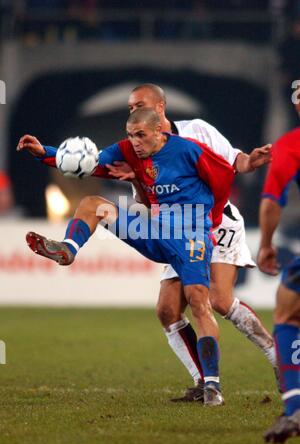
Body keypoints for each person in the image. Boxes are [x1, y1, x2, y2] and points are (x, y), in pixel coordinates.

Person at [17, 83, 276, 403]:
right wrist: (46, 153)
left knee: (216, 301)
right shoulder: (131, 148)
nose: (133, 126)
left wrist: (215, 213)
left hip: (209, 223)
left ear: (160, 109)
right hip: (161, 225)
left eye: (138, 106)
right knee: (167, 309)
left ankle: (263, 362)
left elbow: (230, 169)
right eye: (129, 111)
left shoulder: (196, 137)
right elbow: (91, 162)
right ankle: (69, 250)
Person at [258, 107, 300, 444]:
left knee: (288, 314)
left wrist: (266, 245)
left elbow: (272, 202)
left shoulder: (291, 144)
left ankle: (296, 408)